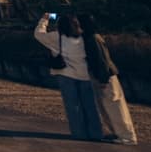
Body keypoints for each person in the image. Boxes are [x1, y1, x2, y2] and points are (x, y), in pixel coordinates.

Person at [34, 12, 103, 141]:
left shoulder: (56, 37)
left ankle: (79, 133)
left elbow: (38, 34)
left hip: (66, 74)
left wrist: (44, 19)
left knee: (73, 106)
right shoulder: (84, 38)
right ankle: (96, 133)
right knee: (90, 106)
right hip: (85, 74)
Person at [77, 14, 137, 145]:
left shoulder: (92, 39)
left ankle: (126, 136)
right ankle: (118, 133)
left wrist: (102, 78)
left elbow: (101, 60)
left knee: (114, 107)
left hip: (105, 76)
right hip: (103, 76)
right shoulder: (92, 37)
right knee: (108, 107)